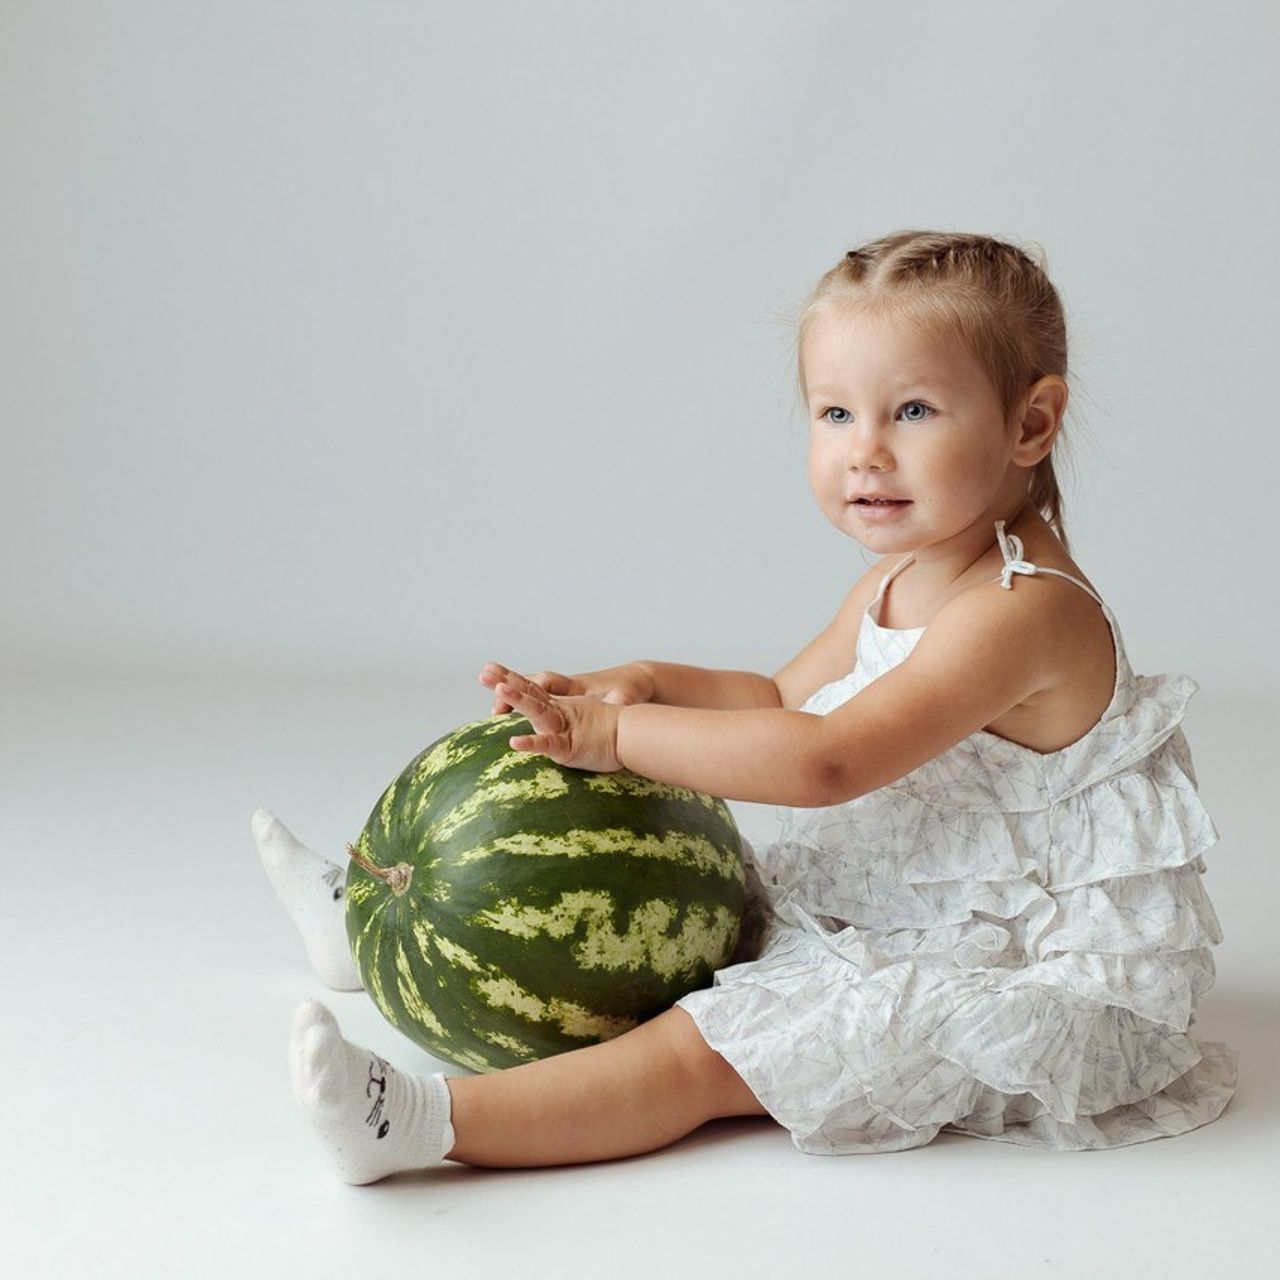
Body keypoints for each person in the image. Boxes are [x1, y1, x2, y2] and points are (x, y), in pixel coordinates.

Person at [257, 230, 1236, 1184]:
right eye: (834, 414)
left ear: (1028, 422)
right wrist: (639, 682)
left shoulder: (1020, 611)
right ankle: (373, 919)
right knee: (687, 910)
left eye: (912, 411)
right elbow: (772, 696)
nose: (865, 453)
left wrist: (615, 735)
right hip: (909, 893)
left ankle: (416, 1119)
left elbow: (825, 761)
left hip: (1020, 968)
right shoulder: (903, 575)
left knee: (711, 1049)